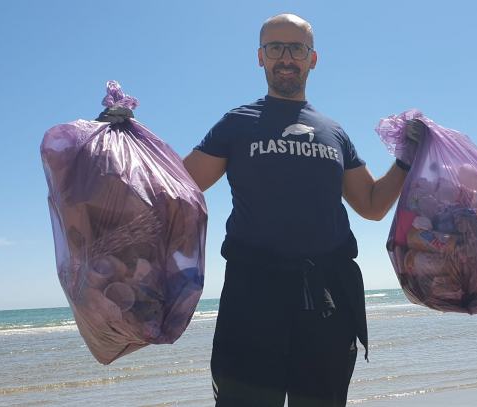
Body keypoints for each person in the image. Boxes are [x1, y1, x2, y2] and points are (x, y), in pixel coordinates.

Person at [179, 13, 425, 407]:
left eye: (297, 48)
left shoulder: (334, 132)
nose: (286, 57)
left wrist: (406, 159)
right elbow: (178, 185)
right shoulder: (237, 124)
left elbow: (372, 205)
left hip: (327, 296)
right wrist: (128, 141)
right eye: (275, 47)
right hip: (253, 295)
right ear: (261, 57)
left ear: (313, 59)